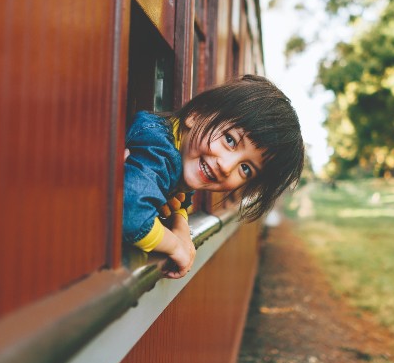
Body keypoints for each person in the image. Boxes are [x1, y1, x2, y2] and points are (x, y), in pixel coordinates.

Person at [123, 74, 305, 279]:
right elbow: (131, 214)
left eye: (245, 169)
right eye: (230, 140)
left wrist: (181, 225)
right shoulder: (158, 147)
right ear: (195, 114)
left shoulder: (181, 158)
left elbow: (180, 198)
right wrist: (176, 247)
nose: (227, 166)